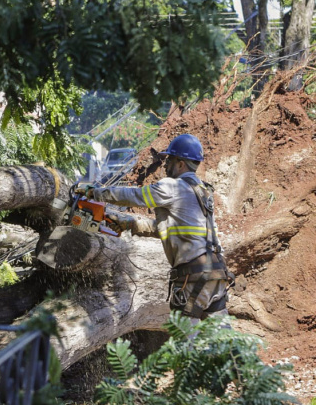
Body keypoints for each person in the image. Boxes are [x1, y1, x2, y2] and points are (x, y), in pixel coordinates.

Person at [77, 134, 234, 320]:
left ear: (181, 163)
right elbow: (176, 230)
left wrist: (95, 192)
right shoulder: (203, 191)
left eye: (169, 160)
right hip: (216, 275)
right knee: (223, 342)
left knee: (185, 342)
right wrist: (131, 224)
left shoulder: (173, 187)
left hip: (192, 278)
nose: (165, 165)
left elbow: (135, 196)